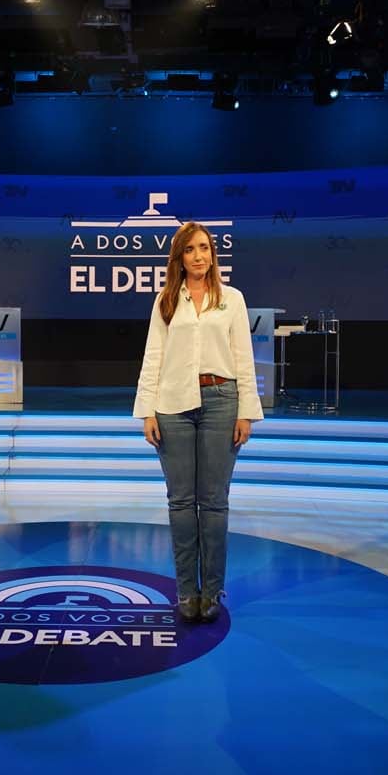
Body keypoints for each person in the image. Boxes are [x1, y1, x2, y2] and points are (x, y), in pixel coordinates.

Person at [133, 221, 263, 623]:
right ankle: (186, 591)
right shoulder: (165, 300)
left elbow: (244, 356)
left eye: (204, 248)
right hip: (173, 404)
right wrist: (147, 410)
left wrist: (246, 411)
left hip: (222, 402)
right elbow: (153, 355)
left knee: (214, 502)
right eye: (190, 249)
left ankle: (213, 590)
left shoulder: (233, 300)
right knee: (181, 502)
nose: (199, 256)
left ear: (213, 254)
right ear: (179, 257)